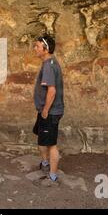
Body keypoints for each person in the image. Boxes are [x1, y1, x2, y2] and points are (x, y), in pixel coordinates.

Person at [32, 34, 64, 187]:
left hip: (50, 112)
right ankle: (45, 163)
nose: (35, 49)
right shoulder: (48, 63)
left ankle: (52, 176)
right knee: (41, 136)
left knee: (51, 144)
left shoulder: (49, 65)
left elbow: (52, 91)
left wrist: (45, 110)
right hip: (45, 110)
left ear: (46, 49)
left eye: (37, 46)